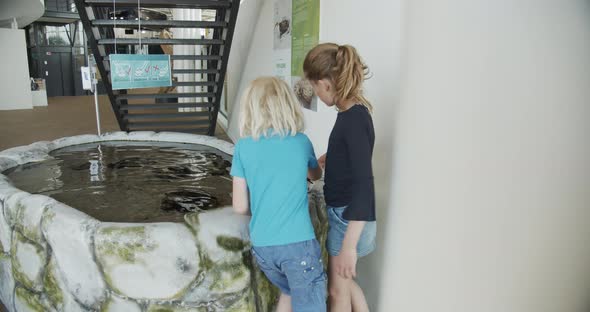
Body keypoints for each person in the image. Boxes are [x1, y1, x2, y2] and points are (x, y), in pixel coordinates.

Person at [231, 77, 327, 312]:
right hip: (297, 245)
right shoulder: (301, 142)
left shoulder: (243, 147)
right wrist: (317, 166)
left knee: (288, 292)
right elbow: (315, 175)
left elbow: (240, 207)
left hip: (263, 247)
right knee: (310, 302)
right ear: (288, 104)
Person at [304, 43, 377, 312]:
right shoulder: (351, 113)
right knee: (343, 286)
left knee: (337, 291)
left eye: (314, 89)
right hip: (347, 216)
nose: (316, 94)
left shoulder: (354, 120)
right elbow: (355, 160)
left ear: (324, 84)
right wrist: (332, 157)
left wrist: (348, 247)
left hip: (350, 220)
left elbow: (364, 185)